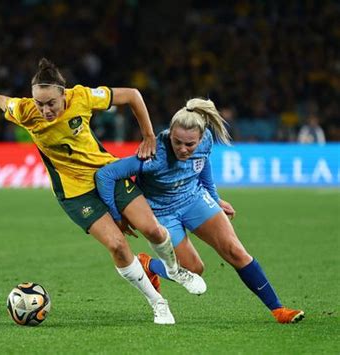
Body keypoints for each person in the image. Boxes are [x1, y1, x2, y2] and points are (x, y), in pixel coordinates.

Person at [0, 58, 206, 325]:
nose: (45, 110)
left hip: (106, 174)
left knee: (153, 230)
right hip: (74, 192)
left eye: (51, 103)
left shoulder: (82, 97)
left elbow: (133, 95)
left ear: (63, 94)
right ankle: (157, 303)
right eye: (39, 103)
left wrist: (148, 136)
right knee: (117, 245)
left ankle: (175, 270)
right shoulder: (26, 111)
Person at [96, 98, 305, 324]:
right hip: (162, 211)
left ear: (200, 138)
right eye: (177, 142)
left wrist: (215, 199)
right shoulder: (155, 155)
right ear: (170, 134)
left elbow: (202, 162)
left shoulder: (205, 140)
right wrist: (117, 217)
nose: (183, 149)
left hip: (194, 199)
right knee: (193, 269)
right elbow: (105, 175)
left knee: (235, 251)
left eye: (190, 144)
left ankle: (278, 310)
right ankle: (149, 265)